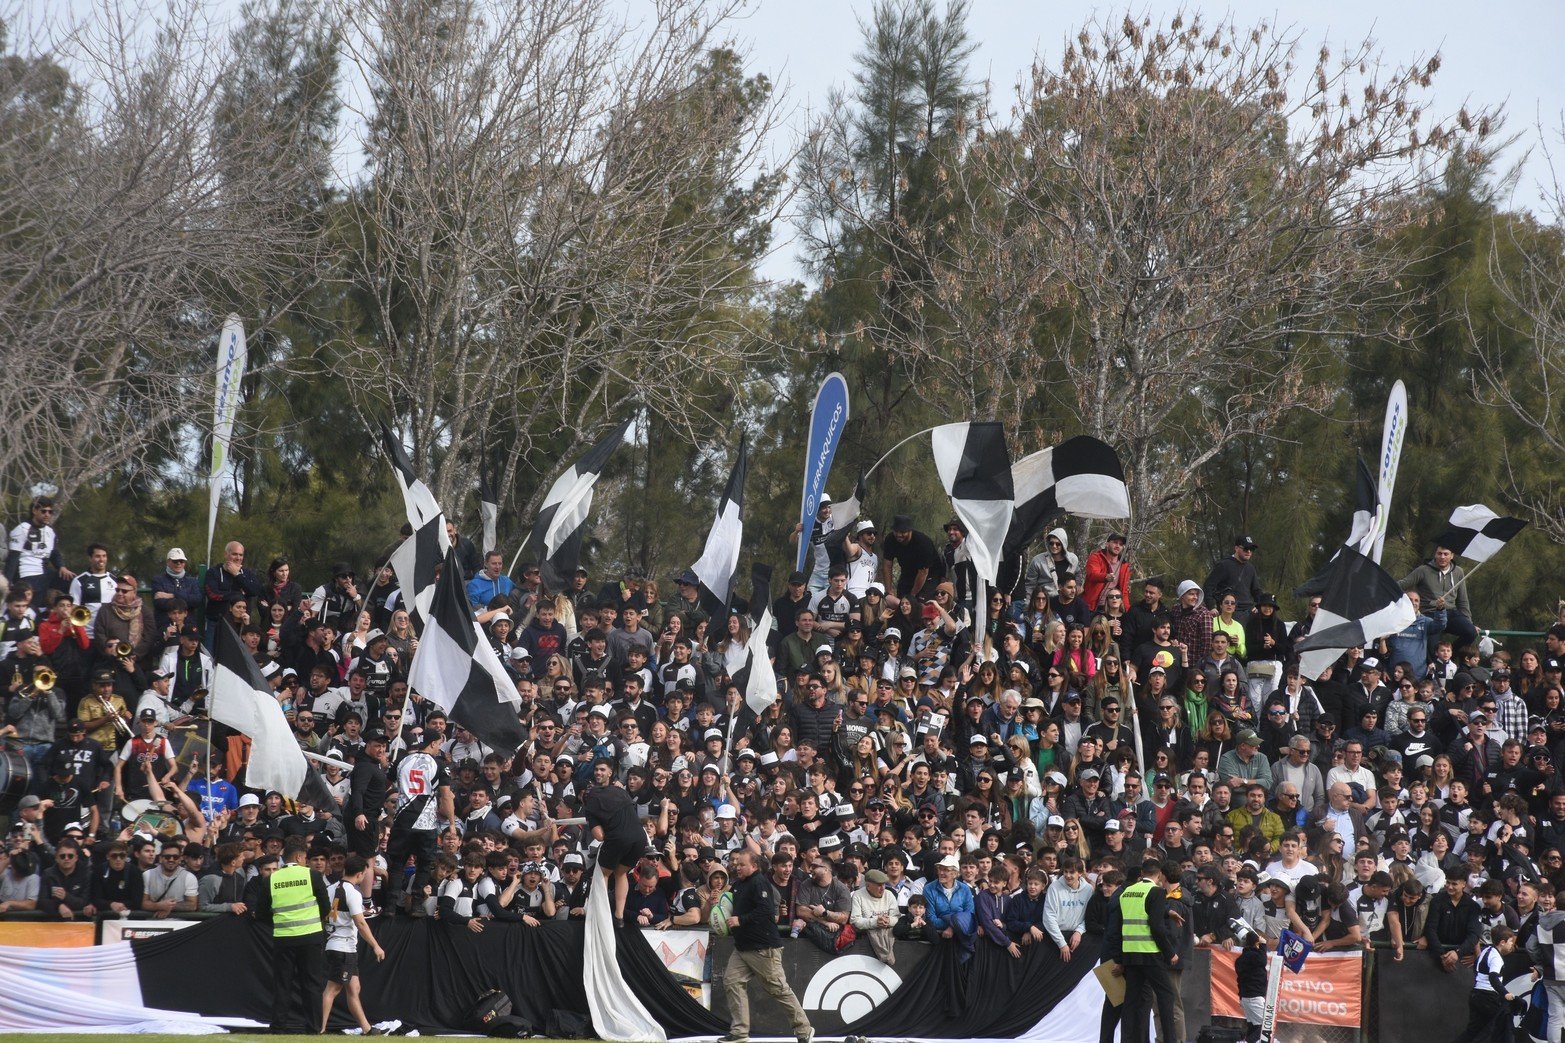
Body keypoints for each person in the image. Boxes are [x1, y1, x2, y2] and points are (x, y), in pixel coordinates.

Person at [722, 848, 813, 1043]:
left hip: (763, 948)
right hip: (743, 947)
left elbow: (765, 910)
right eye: (736, 864)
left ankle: (804, 1030)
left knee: (779, 990)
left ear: (754, 866)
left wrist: (741, 920)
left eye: (742, 864)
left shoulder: (759, 882)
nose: (737, 867)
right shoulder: (738, 884)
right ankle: (739, 1032)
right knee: (731, 981)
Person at [255, 837, 330, 1035]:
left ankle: (279, 1027)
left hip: (283, 937)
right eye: (305, 858)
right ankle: (313, 1028)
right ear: (298, 857)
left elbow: (261, 912)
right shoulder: (311, 875)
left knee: (282, 985)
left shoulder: (272, 879)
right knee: (312, 985)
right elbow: (326, 907)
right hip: (311, 936)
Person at [1109, 865, 1179, 1043]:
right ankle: (1170, 1040)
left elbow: (1122, 923)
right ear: (1160, 875)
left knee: (1131, 1000)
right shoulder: (1156, 892)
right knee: (1166, 994)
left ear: (1141, 874)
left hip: (1130, 953)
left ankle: (1127, 1040)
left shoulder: (1126, 892)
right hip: (1150, 953)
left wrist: (1119, 958)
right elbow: (1156, 926)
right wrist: (1170, 952)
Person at [321, 853, 387, 1035]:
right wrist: (376, 945)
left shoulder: (330, 888)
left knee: (354, 987)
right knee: (332, 989)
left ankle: (367, 1029)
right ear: (359, 874)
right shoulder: (353, 893)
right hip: (342, 946)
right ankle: (320, 1029)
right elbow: (360, 922)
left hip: (337, 944)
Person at [581, 756, 643, 927]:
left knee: (602, 874)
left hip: (619, 838)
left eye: (602, 769)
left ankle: (600, 915)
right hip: (640, 838)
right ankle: (619, 916)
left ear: (610, 772)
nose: (598, 772)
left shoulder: (592, 797)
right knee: (621, 873)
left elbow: (599, 836)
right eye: (596, 769)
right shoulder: (622, 792)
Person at [1453, 925, 1517, 1043]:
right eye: (1511, 942)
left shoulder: (1486, 950)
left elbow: (1477, 969)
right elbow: (1493, 977)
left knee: (1473, 1031)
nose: (1512, 945)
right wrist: (1505, 993)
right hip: (1488, 998)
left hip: (1476, 995)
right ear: (1502, 942)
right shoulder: (1496, 958)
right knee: (1503, 1025)